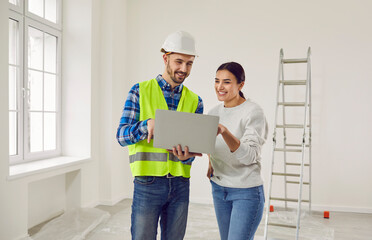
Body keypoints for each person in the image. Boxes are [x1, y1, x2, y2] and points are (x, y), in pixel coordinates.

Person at [116, 30, 203, 240]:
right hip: (148, 183)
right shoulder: (139, 91)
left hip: (181, 184)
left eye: (189, 63)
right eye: (179, 62)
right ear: (165, 58)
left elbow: (194, 148)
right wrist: (147, 125)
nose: (184, 69)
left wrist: (188, 156)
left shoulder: (195, 101)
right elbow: (121, 136)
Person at [207, 62, 268, 240]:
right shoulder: (213, 112)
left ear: (241, 85)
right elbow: (208, 142)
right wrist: (210, 161)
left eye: (226, 82)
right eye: (217, 81)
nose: (220, 87)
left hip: (246, 192)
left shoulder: (253, 112)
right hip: (219, 188)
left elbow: (250, 156)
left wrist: (225, 132)